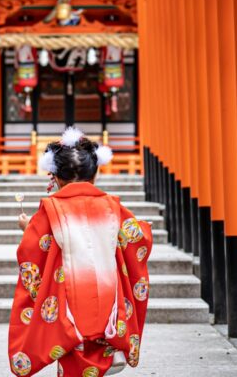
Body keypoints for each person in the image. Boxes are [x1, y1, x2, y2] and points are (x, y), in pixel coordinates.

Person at [8, 127, 152, 377]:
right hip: (107, 294)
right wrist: (144, 230)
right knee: (99, 350)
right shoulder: (112, 206)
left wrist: (28, 227)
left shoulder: (50, 208)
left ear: (56, 178)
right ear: (94, 175)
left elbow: (33, 248)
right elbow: (136, 239)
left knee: (73, 355)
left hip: (68, 299)